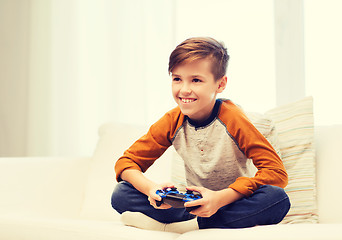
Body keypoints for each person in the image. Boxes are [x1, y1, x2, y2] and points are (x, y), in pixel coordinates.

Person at [111, 37, 290, 233]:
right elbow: (126, 162)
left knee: (277, 198)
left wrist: (221, 198)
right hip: (191, 206)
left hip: (229, 203)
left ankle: (184, 227)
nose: (184, 89)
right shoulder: (172, 120)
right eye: (177, 78)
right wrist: (151, 189)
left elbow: (276, 173)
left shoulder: (234, 119)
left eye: (196, 80)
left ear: (220, 85)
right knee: (121, 193)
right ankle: (189, 222)